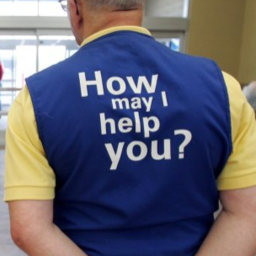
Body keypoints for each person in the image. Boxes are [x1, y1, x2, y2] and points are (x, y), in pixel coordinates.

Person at [3, 0, 256, 255]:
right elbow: (248, 215)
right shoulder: (222, 90)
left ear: (76, 8)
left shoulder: (35, 101)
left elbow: (29, 227)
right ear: (140, 5)